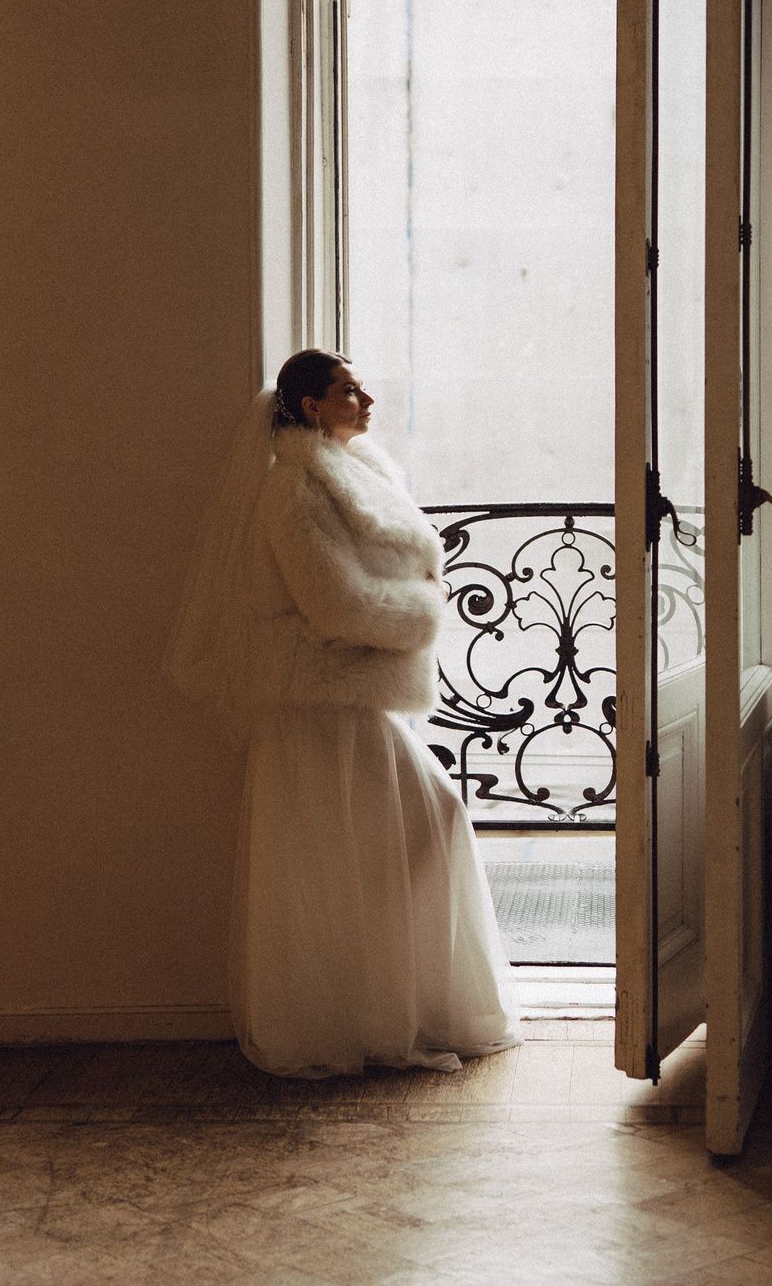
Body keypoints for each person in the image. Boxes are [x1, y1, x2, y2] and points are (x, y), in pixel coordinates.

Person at [166, 349, 519, 1077]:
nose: (366, 400)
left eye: (361, 387)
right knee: (379, 843)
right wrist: (422, 616)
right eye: (346, 390)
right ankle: (361, 1017)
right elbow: (331, 600)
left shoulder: (352, 475)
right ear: (307, 406)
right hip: (320, 700)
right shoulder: (292, 490)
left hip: (348, 690)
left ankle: (391, 1006)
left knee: (376, 852)